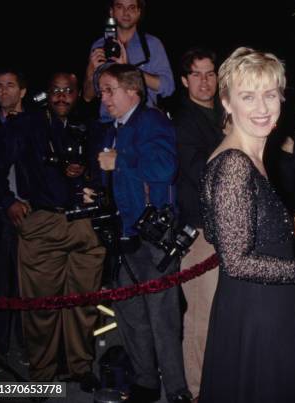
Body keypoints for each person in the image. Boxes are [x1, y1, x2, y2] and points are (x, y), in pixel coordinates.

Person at [198, 47, 295, 403]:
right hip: (258, 313)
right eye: (248, 96)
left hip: (258, 304)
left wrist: (289, 226)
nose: (262, 107)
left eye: (270, 94)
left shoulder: (248, 155)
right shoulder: (235, 163)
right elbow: (237, 261)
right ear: (227, 102)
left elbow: (225, 230)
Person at [0, 72, 105, 391]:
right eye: (55, 91)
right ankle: (42, 375)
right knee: (41, 306)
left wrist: (88, 176)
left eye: (68, 91)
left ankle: (79, 367)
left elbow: (106, 168)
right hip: (40, 222)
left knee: (83, 303)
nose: (62, 96)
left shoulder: (89, 126)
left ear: (76, 94)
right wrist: (7, 201)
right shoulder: (26, 125)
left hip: (84, 223)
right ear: (46, 94)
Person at [90, 63, 191, 403]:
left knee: (163, 318)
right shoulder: (112, 129)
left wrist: (120, 161)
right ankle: (146, 384)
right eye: (102, 91)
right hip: (122, 236)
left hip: (153, 237)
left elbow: (164, 168)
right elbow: (117, 179)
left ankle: (176, 390)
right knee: (130, 316)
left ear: (133, 90)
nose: (103, 98)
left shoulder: (151, 121)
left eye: (109, 90)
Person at [173, 47, 224, 401]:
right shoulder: (183, 121)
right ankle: (197, 391)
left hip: (229, 228)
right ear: (184, 80)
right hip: (201, 231)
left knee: (224, 314)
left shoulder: (227, 113)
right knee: (200, 317)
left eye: (210, 73)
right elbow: (200, 172)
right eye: (197, 74)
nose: (204, 81)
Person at [83, 0, 174, 121]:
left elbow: (168, 87)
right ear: (112, 11)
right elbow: (88, 96)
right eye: (120, 7)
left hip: (143, 122)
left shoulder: (152, 45)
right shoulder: (99, 46)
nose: (126, 13)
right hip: (108, 123)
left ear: (139, 12)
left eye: (131, 8)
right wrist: (90, 74)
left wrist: (130, 70)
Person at [0, 69, 27, 364]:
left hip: (31, 212)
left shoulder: (35, 123)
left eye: (10, 86)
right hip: (0, 214)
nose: (4, 91)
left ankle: (30, 346)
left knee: (29, 283)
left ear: (23, 91)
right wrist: (5, 201)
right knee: (0, 281)